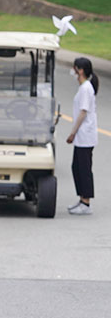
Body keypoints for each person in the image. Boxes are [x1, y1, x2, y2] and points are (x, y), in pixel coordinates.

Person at [67, 56, 99, 215]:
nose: (72, 71)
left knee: (84, 169)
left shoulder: (86, 88)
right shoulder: (84, 87)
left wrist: (72, 132)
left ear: (80, 70)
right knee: (76, 167)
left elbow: (83, 112)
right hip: (82, 136)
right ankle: (82, 200)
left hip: (85, 136)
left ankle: (86, 203)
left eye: (74, 68)